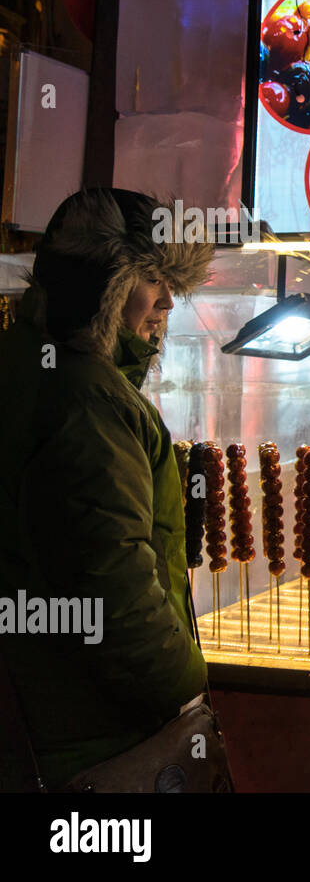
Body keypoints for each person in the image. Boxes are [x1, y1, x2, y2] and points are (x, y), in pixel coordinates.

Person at [0, 188, 213, 790]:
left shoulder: (29, 363)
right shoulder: (86, 397)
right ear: (103, 286)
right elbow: (109, 583)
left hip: (41, 719)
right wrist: (186, 684)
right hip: (89, 740)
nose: (168, 301)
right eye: (152, 279)